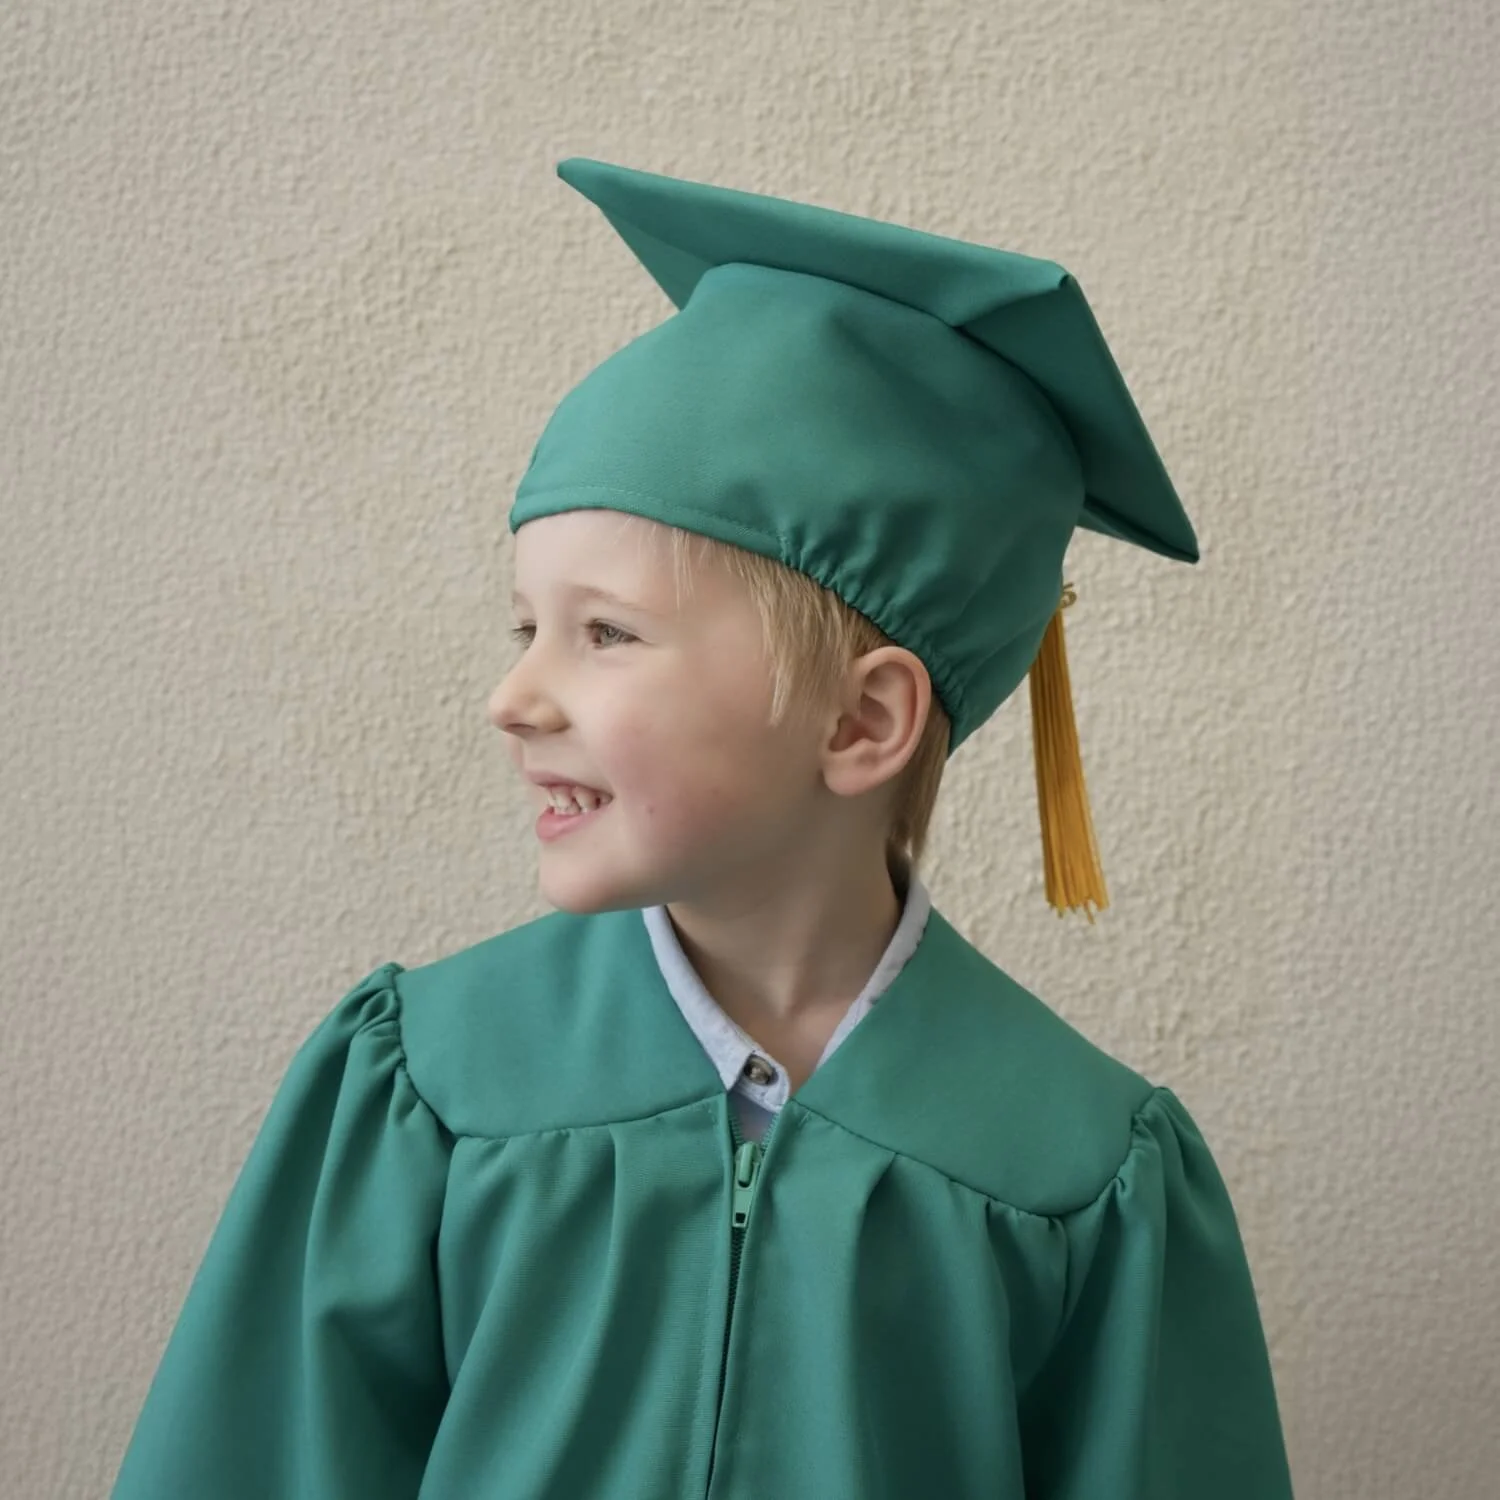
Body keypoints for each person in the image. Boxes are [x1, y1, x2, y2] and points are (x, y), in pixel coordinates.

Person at [110, 157, 1295, 1499]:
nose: (514, 699)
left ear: (863, 724)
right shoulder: (428, 1090)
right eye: (526, 627)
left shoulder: (1080, 1174)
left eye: (605, 633)